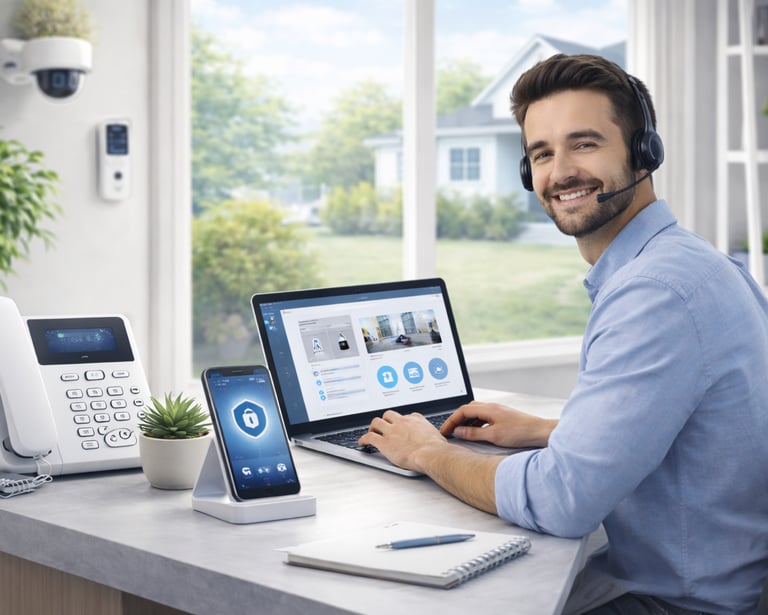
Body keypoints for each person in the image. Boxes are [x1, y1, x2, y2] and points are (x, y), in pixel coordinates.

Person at [359, 53, 768, 614]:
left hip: (678, 604)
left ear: (644, 153)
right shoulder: (695, 264)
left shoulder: (655, 291)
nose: (561, 172)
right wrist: (556, 431)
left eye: (585, 143)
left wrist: (428, 452)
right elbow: (708, 433)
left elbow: (562, 500)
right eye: (542, 153)